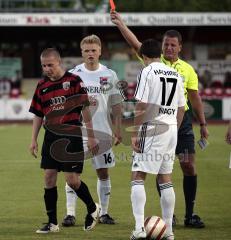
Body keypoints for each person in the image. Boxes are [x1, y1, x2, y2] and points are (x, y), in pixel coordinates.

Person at [111, 11, 209, 228]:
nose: (168, 48)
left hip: (172, 124)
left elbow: (193, 98)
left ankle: (184, 215)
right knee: (164, 173)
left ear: (180, 47)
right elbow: (136, 43)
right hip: (172, 123)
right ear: (160, 47)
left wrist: (202, 124)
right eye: (166, 44)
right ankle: (169, 223)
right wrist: (121, 24)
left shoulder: (185, 70)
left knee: (184, 167)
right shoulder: (160, 63)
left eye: (173, 45)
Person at [29, 48, 100, 233]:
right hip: (51, 136)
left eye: (50, 65)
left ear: (59, 62)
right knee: (48, 177)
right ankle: (52, 223)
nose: (47, 69)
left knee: (72, 180)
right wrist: (33, 140)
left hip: (72, 134)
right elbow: (38, 114)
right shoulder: (41, 86)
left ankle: (93, 208)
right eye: (44, 66)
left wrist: (91, 136)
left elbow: (85, 110)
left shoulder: (74, 81)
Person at [62, 35, 123, 227]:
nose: (90, 54)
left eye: (93, 50)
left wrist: (118, 130)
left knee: (103, 173)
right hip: (76, 132)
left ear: (100, 51)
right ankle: (70, 214)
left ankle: (104, 213)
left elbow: (116, 104)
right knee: (72, 175)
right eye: (86, 51)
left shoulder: (110, 74)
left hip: (103, 132)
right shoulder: (73, 74)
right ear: (81, 52)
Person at [129, 39, 185, 240]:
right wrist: (174, 130)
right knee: (165, 178)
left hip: (152, 127)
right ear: (159, 54)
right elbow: (180, 108)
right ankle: (169, 232)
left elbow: (141, 104)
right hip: (171, 129)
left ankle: (139, 229)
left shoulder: (147, 71)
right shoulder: (175, 73)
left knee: (138, 176)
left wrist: (135, 133)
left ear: (144, 56)